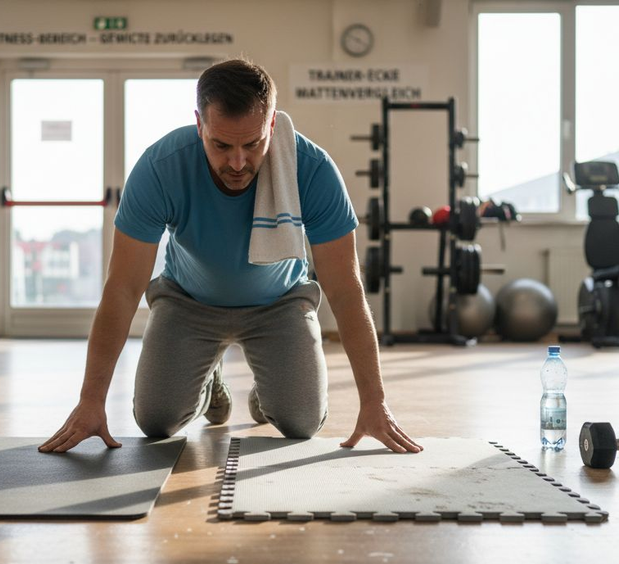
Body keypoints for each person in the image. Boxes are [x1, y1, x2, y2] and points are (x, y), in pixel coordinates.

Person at [39, 59, 421, 455]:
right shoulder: (160, 168)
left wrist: (374, 402)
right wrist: (90, 401)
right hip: (188, 302)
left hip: (279, 304)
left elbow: (346, 290)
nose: (238, 162)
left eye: (253, 144)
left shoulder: (313, 170)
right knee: (155, 421)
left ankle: (265, 392)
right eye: (221, 145)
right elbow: (122, 289)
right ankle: (211, 381)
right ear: (199, 124)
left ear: (272, 125)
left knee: (300, 423)